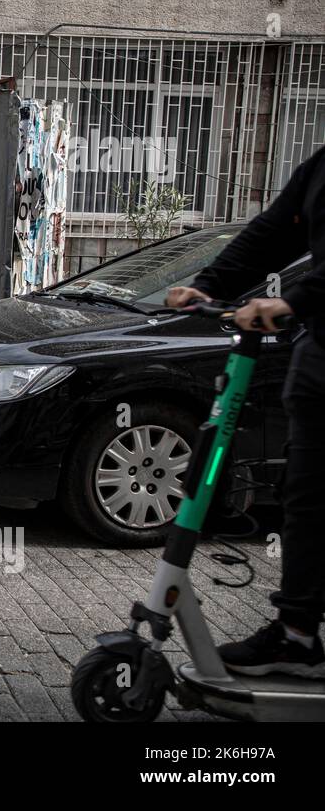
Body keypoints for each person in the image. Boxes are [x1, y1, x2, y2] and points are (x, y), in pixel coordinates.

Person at [166, 144, 324, 677]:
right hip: (320, 358)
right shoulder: (321, 167)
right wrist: (207, 286)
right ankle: (297, 636)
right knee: (305, 498)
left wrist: (294, 301)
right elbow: (272, 233)